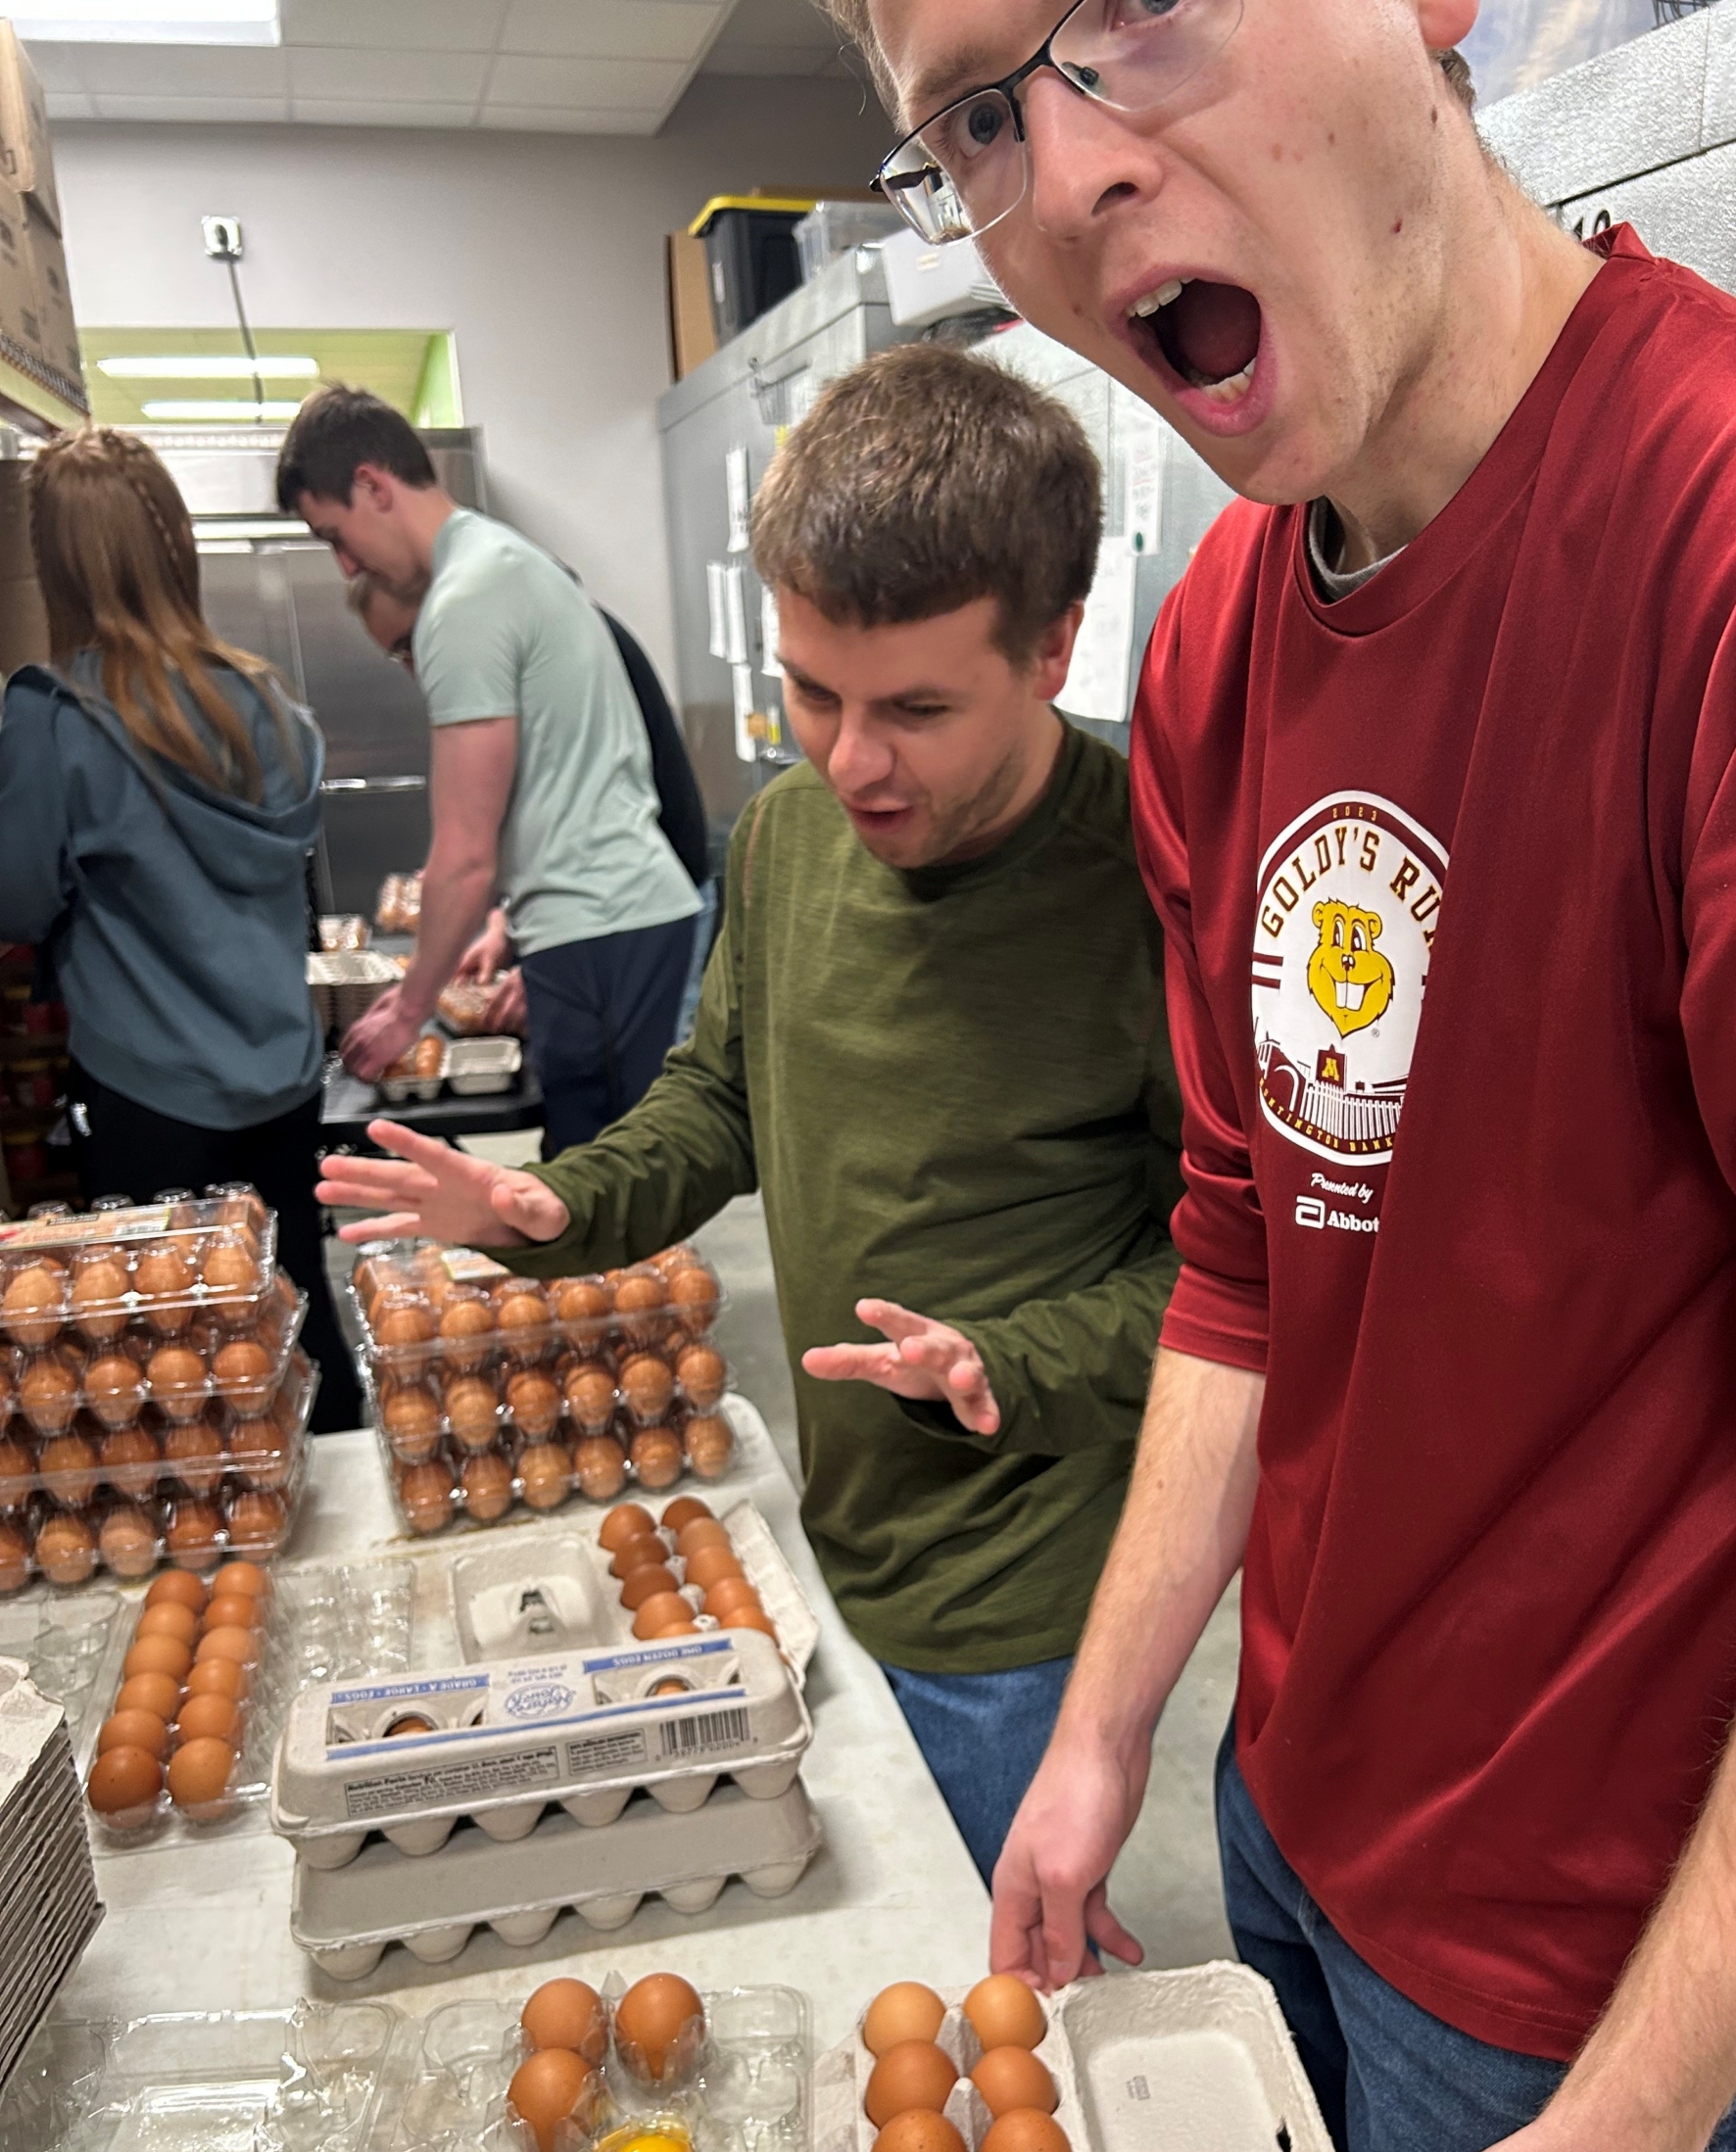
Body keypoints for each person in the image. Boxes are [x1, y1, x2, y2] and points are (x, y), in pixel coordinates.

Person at [841, 2, 1736, 2152]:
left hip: (1589, 1971)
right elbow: (1244, 1259)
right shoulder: (1215, 637)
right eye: (976, 113)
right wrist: (1108, 1742)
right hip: (1291, 1815)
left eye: (1132, 21)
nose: (1065, 167)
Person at [318, 345, 1182, 1883]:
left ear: (1055, 648)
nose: (852, 760)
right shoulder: (788, 834)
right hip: (818, 1521)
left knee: (985, 1987)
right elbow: (720, 1094)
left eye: (916, 707)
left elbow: (1232, 1281)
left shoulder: (1156, 886)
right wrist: (555, 1207)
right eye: (808, 691)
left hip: (1018, 1601)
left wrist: (1007, 1362)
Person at [0, 425, 359, 1433]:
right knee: (292, 1311)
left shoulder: (55, 720)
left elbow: (17, 900)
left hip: (152, 1093)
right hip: (284, 1079)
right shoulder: (269, 704)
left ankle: (224, 1564)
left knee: (175, 1359)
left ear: (55, 564)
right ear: (178, 546)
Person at [275, 387, 702, 1151]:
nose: (344, 562)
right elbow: (559, 785)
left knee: (592, 1184)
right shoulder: (506, 562)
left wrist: (409, 1006)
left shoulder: (465, 600)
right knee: (597, 1174)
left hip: (599, 928)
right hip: (611, 920)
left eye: (334, 535)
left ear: (374, 485)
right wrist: (507, 927)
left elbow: (464, 855)